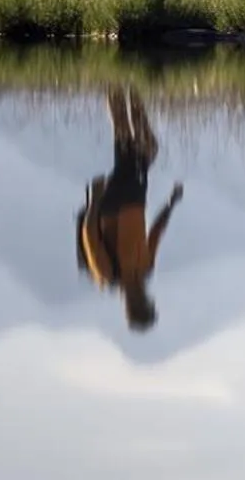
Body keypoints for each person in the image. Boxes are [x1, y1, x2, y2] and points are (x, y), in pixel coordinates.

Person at [76, 87, 184, 332]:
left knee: (128, 140)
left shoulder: (107, 275)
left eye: (138, 305)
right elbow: (155, 235)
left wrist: (95, 198)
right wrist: (170, 204)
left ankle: (118, 84)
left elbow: (90, 235)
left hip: (114, 203)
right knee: (146, 148)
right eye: (146, 302)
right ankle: (129, 89)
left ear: (129, 307)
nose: (142, 299)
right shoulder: (145, 269)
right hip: (136, 199)